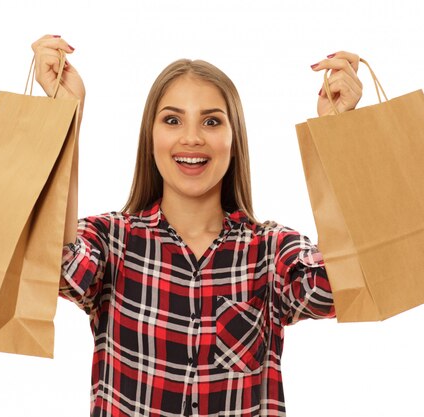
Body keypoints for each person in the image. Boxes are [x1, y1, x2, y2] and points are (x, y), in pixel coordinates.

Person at [31, 34, 363, 417]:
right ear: (150, 138)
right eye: (172, 120)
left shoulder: (269, 250)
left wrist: (339, 134)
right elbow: (55, 260)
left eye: (211, 121)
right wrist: (65, 116)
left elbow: (339, 286)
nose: (191, 137)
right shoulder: (113, 241)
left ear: (234, 140)